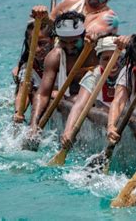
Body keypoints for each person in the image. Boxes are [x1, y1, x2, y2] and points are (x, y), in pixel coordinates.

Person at [23, 11, 97, 150]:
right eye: (64, 42)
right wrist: (34, 125)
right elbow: (43, 93)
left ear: (84, 35)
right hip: (71, 101)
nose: (69, 47)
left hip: (96, 101)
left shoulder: (96, 49)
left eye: (74, 42)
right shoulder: (55, 56)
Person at [60, 36, 127, 150]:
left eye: (117, 58)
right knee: (77, 101)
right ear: (99, 60)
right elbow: (79, 106)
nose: (112, 63)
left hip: (123, 117)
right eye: (106, 59)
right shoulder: (93, 76)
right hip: (105, 116)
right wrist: (68, 131)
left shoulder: (129, 74)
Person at [13, 6, 54, 123]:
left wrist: (46, 18)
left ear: (52, 41)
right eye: (33, 44)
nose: (37, 49)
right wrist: (18, 112)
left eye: (42, 43)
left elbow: (60, 28)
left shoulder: (61, 56)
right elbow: (23, 92)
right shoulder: (29, 68)